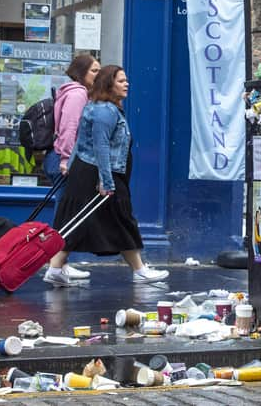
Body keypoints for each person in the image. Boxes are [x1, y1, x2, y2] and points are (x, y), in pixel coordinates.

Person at [43, 65, 169, 287]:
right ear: (108, 85)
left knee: (81, 221)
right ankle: (139, 270)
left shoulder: (99, 108)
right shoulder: (105, 112)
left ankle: (55, 269)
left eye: (126, 80)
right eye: (121, 81)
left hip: (90, 171)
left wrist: (71, 167)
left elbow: (81, 141)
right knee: (118, 219)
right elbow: (100, 147)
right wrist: (106, 180)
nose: (126, 84)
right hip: (100, 173)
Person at [42, 54, 100, 280]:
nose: (98, 75)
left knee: (65, 213)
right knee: (66, 215)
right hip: (64, 160)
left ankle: (60, 265)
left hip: (58, 158)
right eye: (94, 70)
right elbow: (69, 129)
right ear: (81, 71)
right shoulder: (78, 94)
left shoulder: (71, 91)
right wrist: (67, 159)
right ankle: (56, 266)